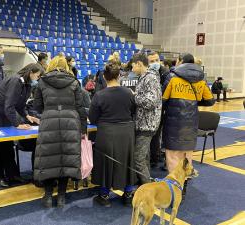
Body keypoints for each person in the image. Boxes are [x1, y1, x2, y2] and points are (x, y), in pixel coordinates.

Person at [33, 55, 87, 208]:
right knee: (66, 159)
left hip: (48, 121)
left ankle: (48, 196)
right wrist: (83, 128)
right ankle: (62, 196)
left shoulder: (42, 81)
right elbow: (80, 107)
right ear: (66, 66)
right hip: (70, 122)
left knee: (49, 159)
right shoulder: (74, 82)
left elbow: (37, 106)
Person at [0, 63, 42, 188]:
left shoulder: (27, 85)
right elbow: (9, 105)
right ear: (31, 72)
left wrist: (27, 116)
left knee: (7, 142)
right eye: (38, 75)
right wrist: (17, 124)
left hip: (3, 109)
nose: (38, 78)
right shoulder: (15, 80)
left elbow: (20, 105)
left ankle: (13, 175)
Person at [89, 63, 136, 207]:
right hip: (126, 132)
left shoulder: (99, 95)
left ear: (104, 77)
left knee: (105, 163)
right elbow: (133, 112)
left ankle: (104, 196)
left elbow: (92, 118)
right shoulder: (128, 93)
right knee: (127, 161)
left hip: (107, 132)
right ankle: (128, 194)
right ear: (119, 76)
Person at [162, 53, 215, 174]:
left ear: (181, 61)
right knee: (187, 155)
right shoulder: (201, 79)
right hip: (191, 123)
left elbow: (162, 100)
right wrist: (193, 102)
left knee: (172, 155)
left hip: (173, 122)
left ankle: (175, 185)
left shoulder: (172, 77)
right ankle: (184, 183)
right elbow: (210, 100)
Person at [132, 53, 162, 185]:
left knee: (138, 159)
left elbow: (151, 102)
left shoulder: (150, 78)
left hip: (147, 124)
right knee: (144, 158)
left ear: (139, 64)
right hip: (144, 123)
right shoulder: (144, 77)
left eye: (133, 66)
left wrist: (133, 96)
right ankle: (145, 183)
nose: (132, 69)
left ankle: (147, 188)